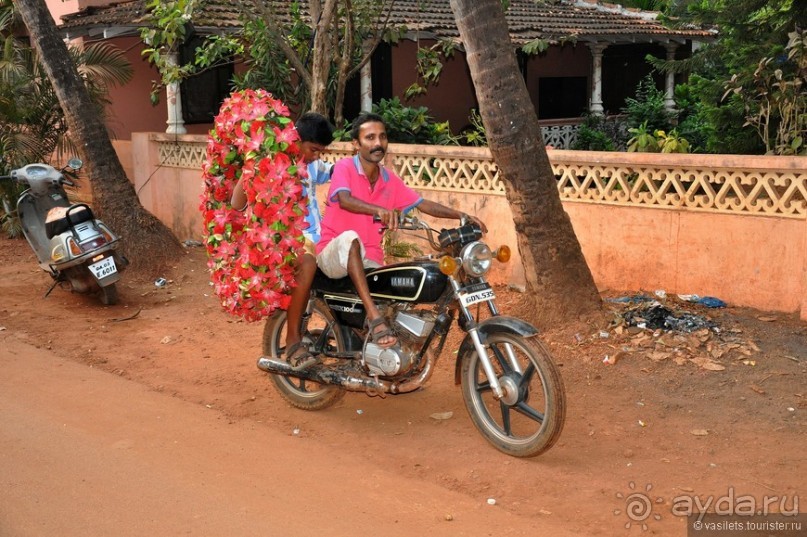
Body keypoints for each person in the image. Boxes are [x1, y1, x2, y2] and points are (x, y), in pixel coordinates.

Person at [316, 113, 486, 348]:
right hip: (333, 253)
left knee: (410, 279)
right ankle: (374, 318)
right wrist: (379, 210)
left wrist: (462, 215)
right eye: (370, 137)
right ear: (356, 144)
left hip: (370, 260)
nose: (378, 143)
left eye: (382, 137)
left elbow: (423, 203)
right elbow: (344, 200)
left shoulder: (389, 180)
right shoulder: (345, 167)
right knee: (350, 239)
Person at [232, 112, 334, 370]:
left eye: (320, 152)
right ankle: (292, 341)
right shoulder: (266, 164)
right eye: (313, 150)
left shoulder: (312, 166)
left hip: (317, 238)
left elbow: (334, 171)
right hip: (285, 244)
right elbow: (236, 204)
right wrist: (252, 166)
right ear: (295, 140)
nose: (315, 156)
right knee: (308, 265)